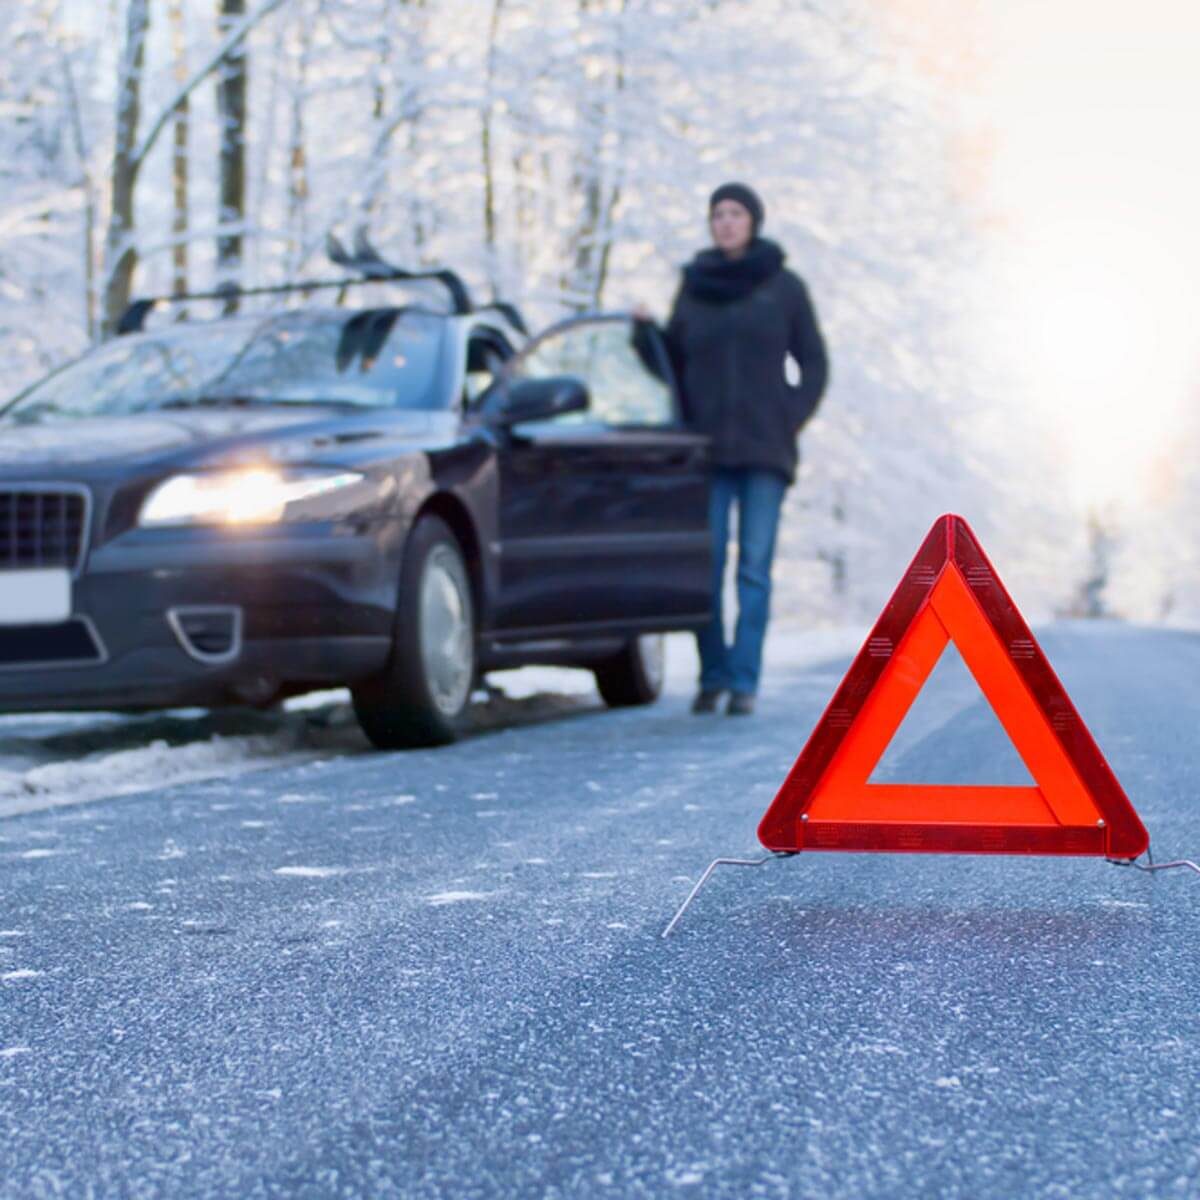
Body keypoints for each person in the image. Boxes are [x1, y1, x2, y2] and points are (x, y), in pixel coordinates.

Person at [633, 182, 829, 716]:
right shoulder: (694, 287)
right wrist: (645, 337)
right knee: (707, 565)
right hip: (707, 453)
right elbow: (672, 366)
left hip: (766, 451)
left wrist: (788, 415)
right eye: (717, 213)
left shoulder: (784, 286)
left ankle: (744, 681)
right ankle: (712, 675)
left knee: (754, 569)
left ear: (753, 221)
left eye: (735, 213)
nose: (725, 221)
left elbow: (814, 362)